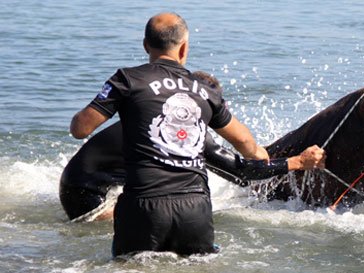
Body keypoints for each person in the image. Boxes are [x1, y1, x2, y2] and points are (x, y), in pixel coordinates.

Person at [70, 12, 323, 257]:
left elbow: (80, 129)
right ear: (184, 48)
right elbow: (247, 145)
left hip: (142, 209)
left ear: (146, 45)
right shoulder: (205, 93)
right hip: (195, 211)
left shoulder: (127, 80)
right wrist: (277, 158)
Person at [60, 72, 324, 223]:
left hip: (76, 182)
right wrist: (298, 162)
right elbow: (240, 174)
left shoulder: (157, 115)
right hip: (86, 196)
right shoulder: (185, 132)